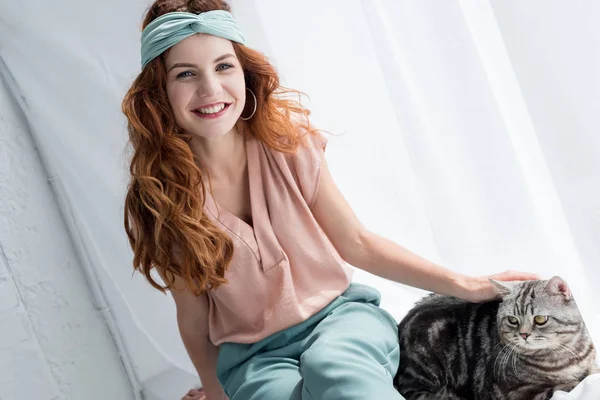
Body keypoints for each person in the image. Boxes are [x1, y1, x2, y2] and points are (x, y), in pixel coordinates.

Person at [121, 1, 540, 399]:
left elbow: (356, 243)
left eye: (223, 66)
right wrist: (216, 392)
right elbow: (193, 319)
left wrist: (465, 285)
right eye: (185, 74)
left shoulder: (287, 145)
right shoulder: (161, 199)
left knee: (334, 367)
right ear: (159, 92)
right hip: (254, 357)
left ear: (245, 72)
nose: (211, 88)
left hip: (341, 318)